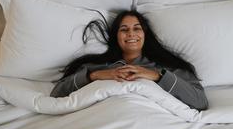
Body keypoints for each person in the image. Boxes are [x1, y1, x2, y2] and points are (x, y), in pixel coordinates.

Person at [51, 10, 208, 110]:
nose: (131, 34)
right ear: (116, 37)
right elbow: (57, 94)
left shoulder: (166, 67)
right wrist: (94, 76)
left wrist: (157, 76)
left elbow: (200, 101)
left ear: (145, 35)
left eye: (137, 29)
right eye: (124, 30)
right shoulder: (97, 67)